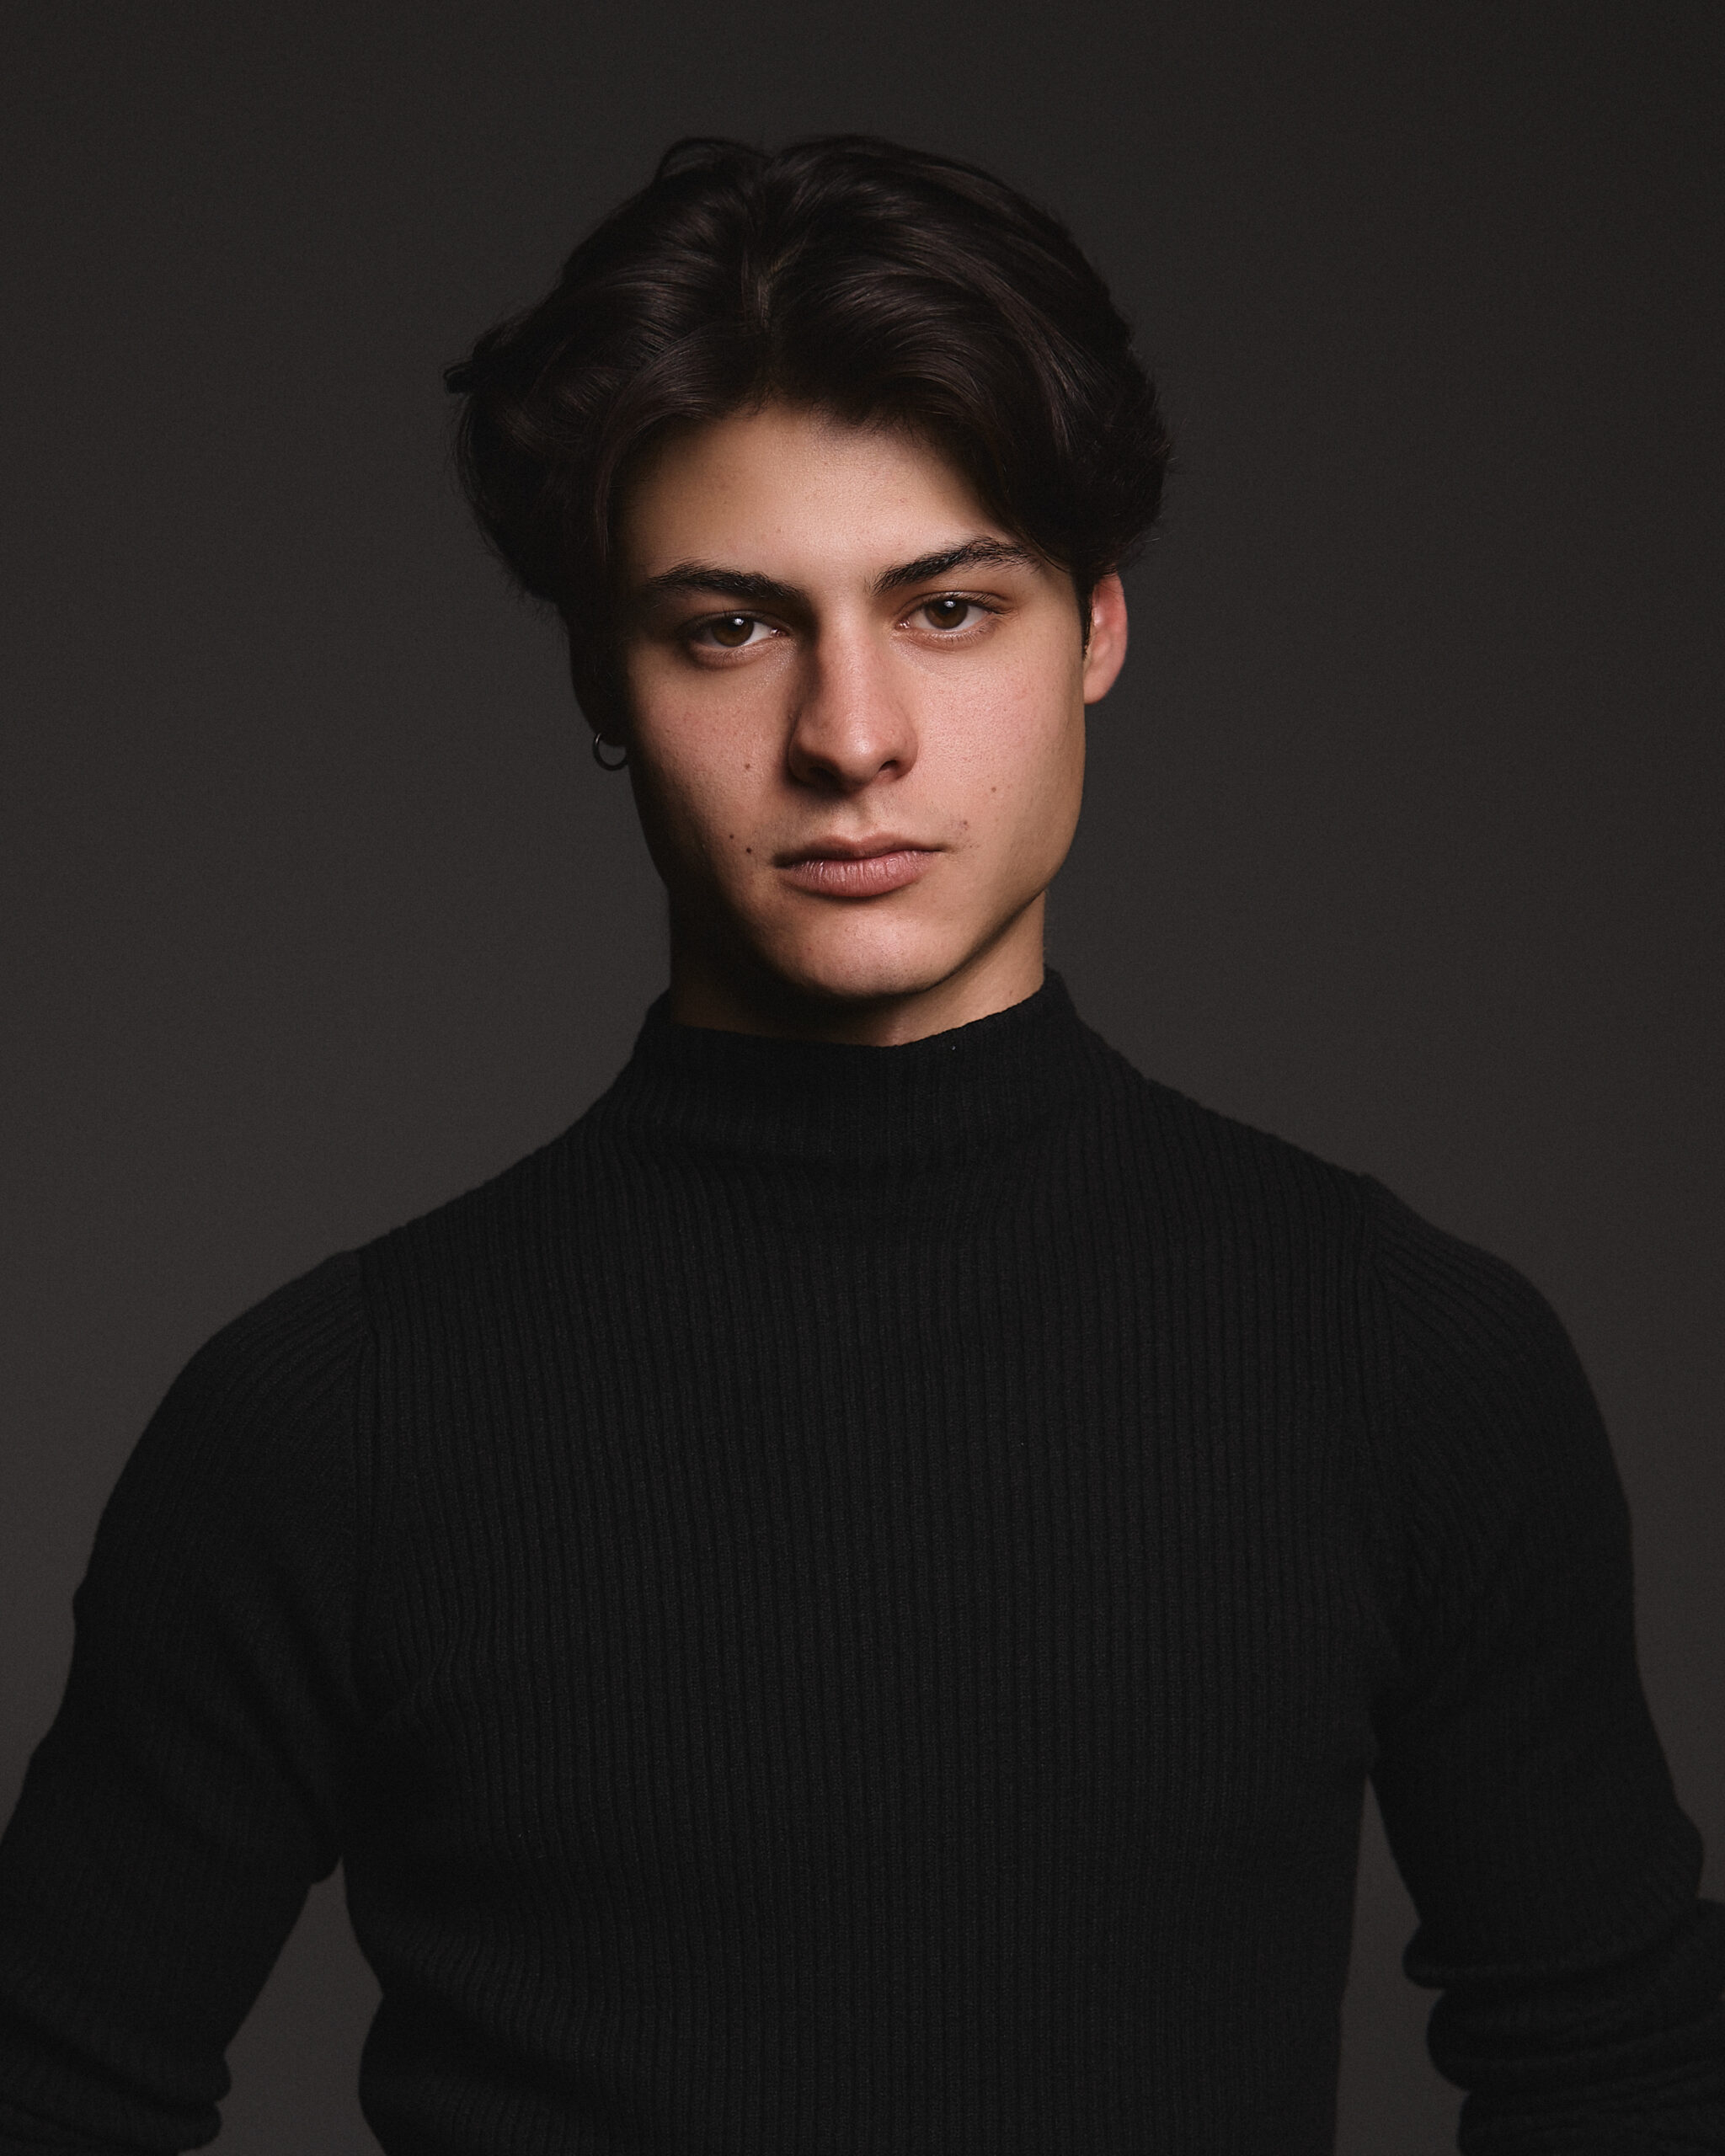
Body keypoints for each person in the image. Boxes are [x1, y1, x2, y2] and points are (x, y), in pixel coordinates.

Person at [0, 133, 1719, 2156]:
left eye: (949, 607)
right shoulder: (331, 1423)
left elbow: (1619, 2077)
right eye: (730, 625)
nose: (850, 734)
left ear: (1096, 628)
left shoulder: (1406, 1364)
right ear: (600, 672)